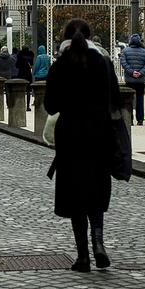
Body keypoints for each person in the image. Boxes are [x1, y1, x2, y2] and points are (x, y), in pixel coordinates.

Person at [44, 19, 122, 272]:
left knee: (75, 193)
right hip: (99, 134)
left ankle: (82, 256)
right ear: (91, 37)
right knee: (96, 190)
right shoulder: (102, 62)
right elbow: (116, 99)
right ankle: (98, 243)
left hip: (71, 135)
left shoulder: (60, 65)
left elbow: (51, 105)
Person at [118, 33, 145, 125]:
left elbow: (123, 63)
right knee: (140, 100)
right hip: (140, 80)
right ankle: (140, 119)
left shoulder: (125, 51)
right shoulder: (144, 52)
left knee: (128, 100)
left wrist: (131, 72)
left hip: (129, 79)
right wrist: (141, 72)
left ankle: (129, 119)